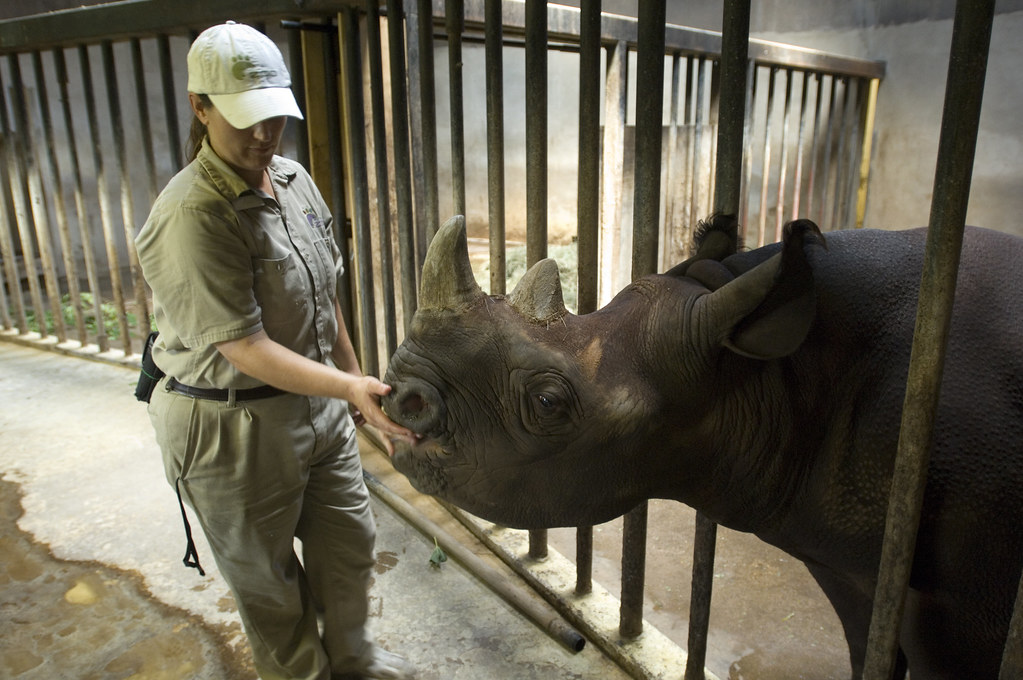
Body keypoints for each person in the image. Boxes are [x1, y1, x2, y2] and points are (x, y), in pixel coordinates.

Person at [135, 21, 417, 680]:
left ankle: (354, 662)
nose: (264, 134)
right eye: (245, 119)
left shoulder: (291, 179)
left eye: (274, 117)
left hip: (316, 411)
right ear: (199, 108)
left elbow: (324, 298)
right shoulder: (192, 214)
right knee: (268, 585)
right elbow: (243, 345)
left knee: (349, 547)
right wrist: (345, 388)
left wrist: (355, 387)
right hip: (232, 427)